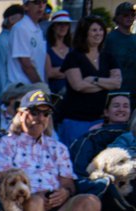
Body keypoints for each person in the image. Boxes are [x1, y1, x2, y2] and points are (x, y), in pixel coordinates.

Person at [58, 15, 121, 146]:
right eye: (94, 30)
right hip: (75, 119)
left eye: (100, 29)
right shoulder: (73, 57)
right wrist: (106, 84)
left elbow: (117, 83)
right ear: (84, 33)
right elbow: (78, 86)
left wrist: (94, 79)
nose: (98, 33)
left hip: (99, 120)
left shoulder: (108, 57)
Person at [0, 6, 25, 106]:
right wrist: (7, 99)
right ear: (11, 19)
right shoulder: (1, 43)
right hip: (4, 103)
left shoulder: (15, 40)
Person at [8, 0, 46, 86]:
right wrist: (40, 86)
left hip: (32, 89)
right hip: (22, 90)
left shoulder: (38, 29)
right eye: (36, 2)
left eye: (44, 2)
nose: (41, 6)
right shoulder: (20, 28)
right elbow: (26, 65)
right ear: (26, 6)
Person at [103, 1, 136, 94]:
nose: (130, 17)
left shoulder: (135, 39)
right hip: (114, 92)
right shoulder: (109, 39)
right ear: (117, 17)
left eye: (133, 15)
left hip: (133, 92)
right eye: (126, 15)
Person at [44, 9, 71, 96]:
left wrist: (59, 71)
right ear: (53, 26)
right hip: (54, 94)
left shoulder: (72, 49)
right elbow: (49, 73)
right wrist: (71, 71)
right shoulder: (46, 47)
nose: (63, 27)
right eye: (60, 24)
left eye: (66, 24)